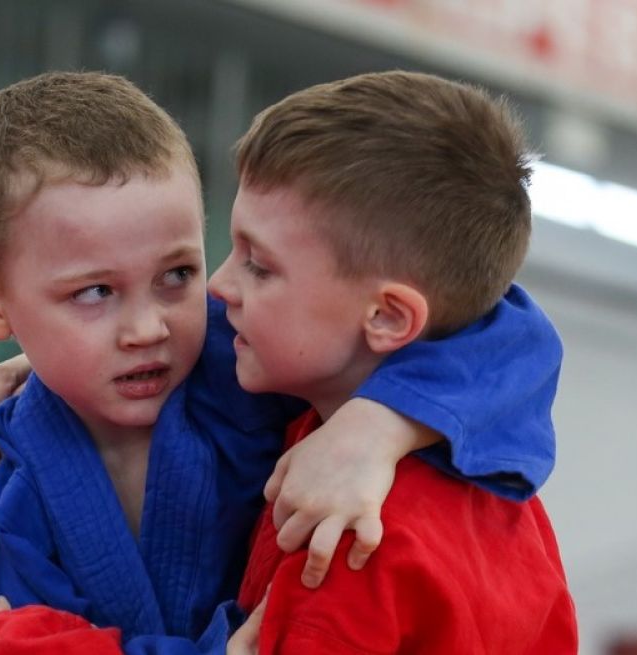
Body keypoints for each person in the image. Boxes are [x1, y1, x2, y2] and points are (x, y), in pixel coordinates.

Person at [0, 71, 563, 654]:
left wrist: (380, 424)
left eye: (178, 274)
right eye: (93, 292)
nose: (149, 328)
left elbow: (505, 332)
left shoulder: (249, 369)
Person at [221, 70, 577, 653]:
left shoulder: (345, 535)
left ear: (388, 317)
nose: (218, 285)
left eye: (258, 266)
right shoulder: (509, 502)